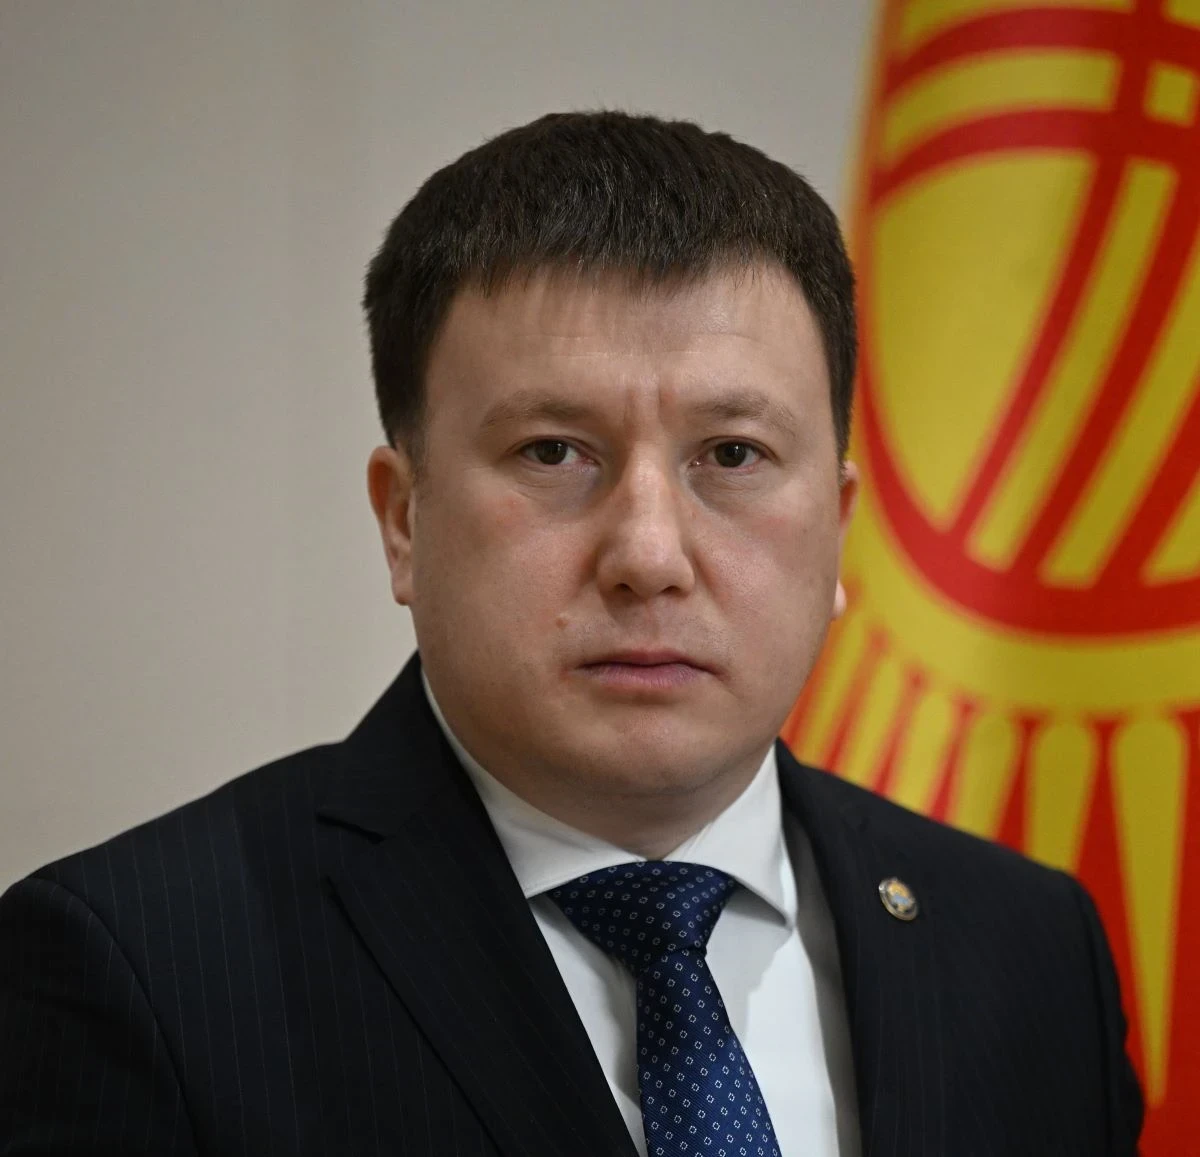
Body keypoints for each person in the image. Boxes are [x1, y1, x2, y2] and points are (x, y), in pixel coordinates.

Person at [0, 112, 1142, 1157]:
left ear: (840, 528)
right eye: (553, 451)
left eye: (732, 455)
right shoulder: (139, 967)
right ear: (404, 521)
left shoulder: (1030, 949)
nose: (648, 553)